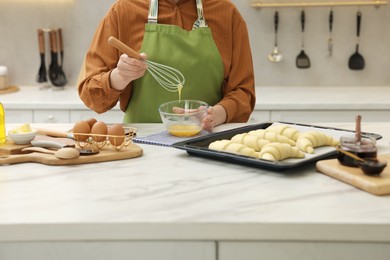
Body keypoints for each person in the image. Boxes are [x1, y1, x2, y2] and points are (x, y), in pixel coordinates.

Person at [78, 0, 255, 131]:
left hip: (207, 143)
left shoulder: (227, 14)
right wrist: (119, 77)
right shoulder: (123, 11)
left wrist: (216, 115)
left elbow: (243, 92)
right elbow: (90, 93)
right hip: (141, 146)